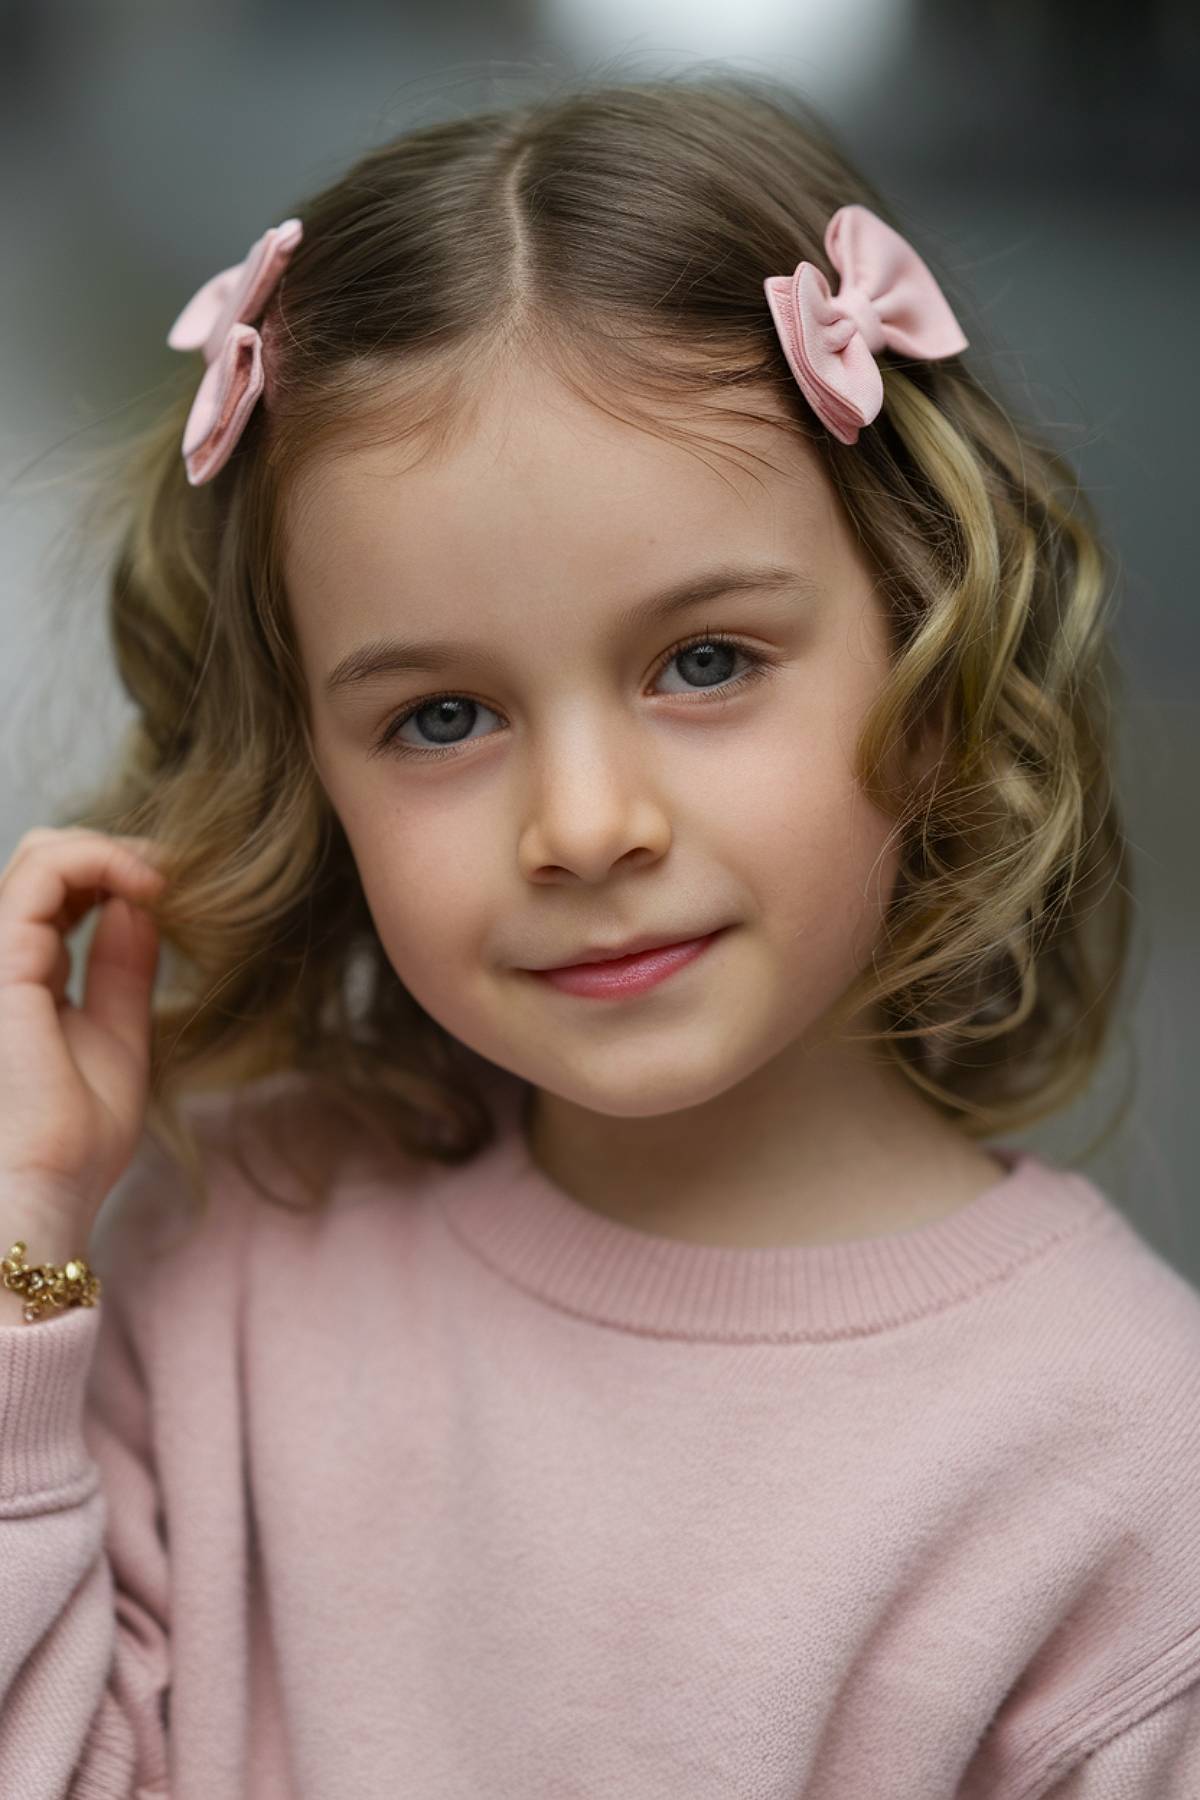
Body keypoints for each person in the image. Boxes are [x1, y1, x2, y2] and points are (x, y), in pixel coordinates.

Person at [1, 69, 1196, 1799]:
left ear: (932, 658)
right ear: (309, 777)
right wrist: (28, 1233)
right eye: (439, 718)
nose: (582, 827)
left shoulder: (1123, 1461)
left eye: (704, 662)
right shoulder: (217, 1262)